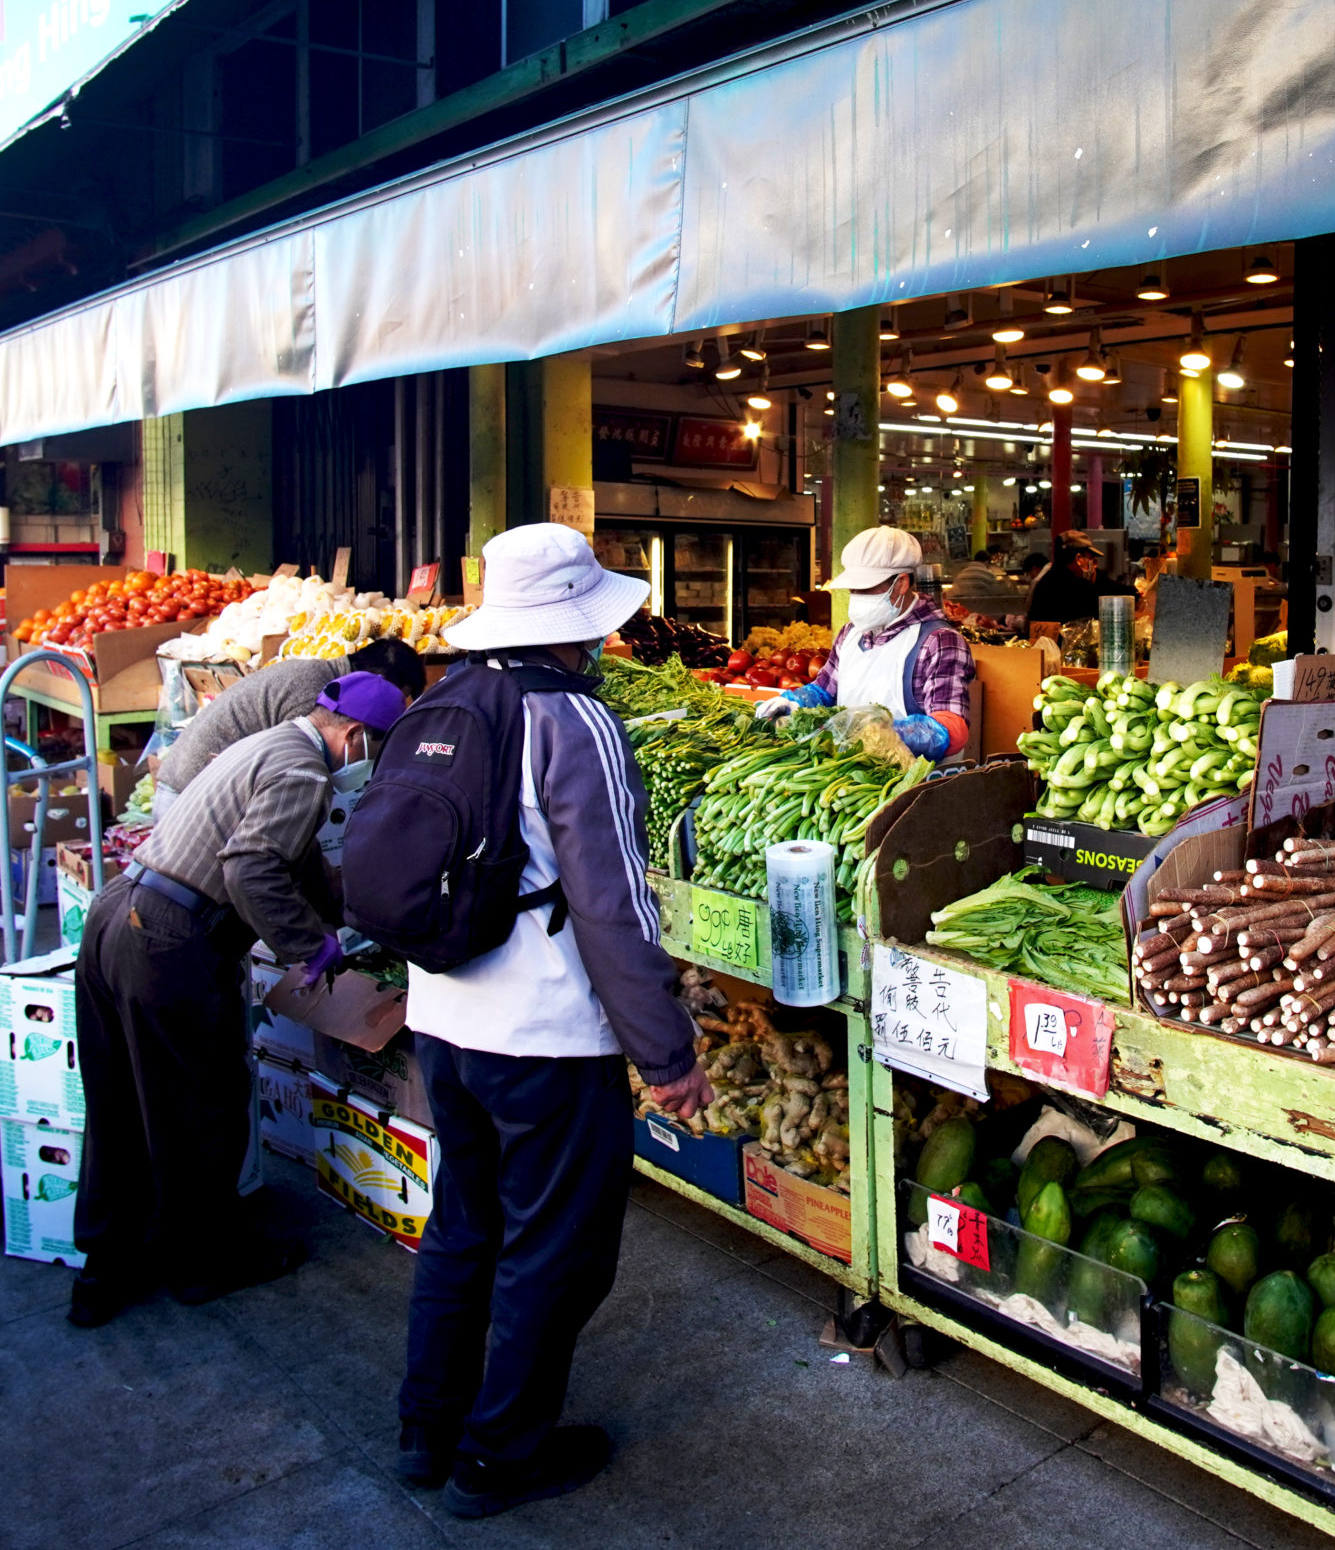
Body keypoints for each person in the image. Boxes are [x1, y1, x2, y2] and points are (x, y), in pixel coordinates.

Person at [383, 523, 711, 1517]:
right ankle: (498, 1457)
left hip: (442, 1018)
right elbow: (613, 904)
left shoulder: (445, 702)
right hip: (545, 1037)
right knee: (552, 1250)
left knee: (463, 1228)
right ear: (578, 626)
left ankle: (424, 1430)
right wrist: (666, 1054)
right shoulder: (574, 722)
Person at [68, 670, 407, 1329]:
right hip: (166, 940)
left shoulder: (274, 742)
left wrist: (352, 908)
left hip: (117, 915)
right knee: (200, 1101)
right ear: (359, 735)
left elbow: (296, 864)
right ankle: (202, 1262)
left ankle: (104, 1268)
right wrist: (310, 948)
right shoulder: (305, 773)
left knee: (118, 1100)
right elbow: (250, 867)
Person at [753, 526, 972, 762]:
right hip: (850, 775)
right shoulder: (851, 633)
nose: (856, 594)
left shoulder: (939, 641)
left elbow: (953, 729)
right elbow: (825, 690)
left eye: (865, 588)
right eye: (853, 587)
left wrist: (881, 734)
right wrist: (793, 702)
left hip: (915, 788)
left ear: (901, 584)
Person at [152, 638, 426, 818]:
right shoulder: (313, 693)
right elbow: (295, 779)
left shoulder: (324, 681)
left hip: (195, 791)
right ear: (377, 682)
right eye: (396, 697)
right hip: (190, 796)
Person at [1026, 532, 1103, 627]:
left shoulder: (1044, 581)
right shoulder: (1081, 588)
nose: (1092, 564)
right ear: (1078, 559)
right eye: (1089, 558)